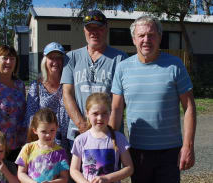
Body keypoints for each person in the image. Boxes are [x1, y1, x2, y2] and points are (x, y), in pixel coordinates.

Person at [110, 15, 197, 183]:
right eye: (141, 35)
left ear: (160, 37)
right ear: (134, 39)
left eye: (151, 35)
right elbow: (117, 109)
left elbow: (189, 108)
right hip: (137, 151)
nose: (146, 40)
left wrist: (188, 146)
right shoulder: (122, 68)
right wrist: (111, 143)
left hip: (170, 152)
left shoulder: (175, 65)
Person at [61, 10, 128, 147]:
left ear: (106, 30)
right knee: (76, 168)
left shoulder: (120, 58)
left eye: (99, 28)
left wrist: (107, 132)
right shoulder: (71, 57)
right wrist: (82, 125)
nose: (94, 32)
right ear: (84, 30)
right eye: (89, 28)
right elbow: (67, 93)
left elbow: (121, 100)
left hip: (109, 133)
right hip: (78, 133)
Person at [70, 93, 133, 183]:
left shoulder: (119, 138)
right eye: (95, 114)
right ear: (87, 113)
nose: (100, 118)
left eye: (104, 113)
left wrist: (107, 178)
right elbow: (74, 170)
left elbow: (129, 168)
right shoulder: (80, 140)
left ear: (110, 112)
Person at [25, 42, 71, 156]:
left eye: (59, 58)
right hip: (44, 144)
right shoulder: (36, 86)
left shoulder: (69, 84)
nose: (55, 62)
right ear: (45, 61)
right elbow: (31, 118)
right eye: (51, 58)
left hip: (67, 144)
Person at [15, 108, 69, 183]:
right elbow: (21, 173)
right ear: (35, 130)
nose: (48, 135)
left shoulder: (61, 152)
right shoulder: (27, 148)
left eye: (52, 130)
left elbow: (64, 178)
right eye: (43, 131)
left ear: (57, 128)